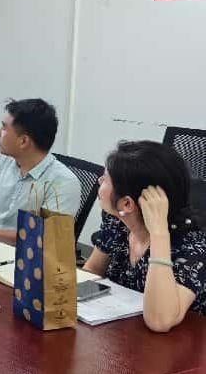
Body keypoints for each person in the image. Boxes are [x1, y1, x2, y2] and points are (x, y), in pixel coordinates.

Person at [84, 141, 206, 332]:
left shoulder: (192, 247)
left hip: (174, 346)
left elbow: (160, 321)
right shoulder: (117, 221)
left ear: (126, 204)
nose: (99, 181)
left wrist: (158, 233)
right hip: (121, 332)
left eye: (105, 178)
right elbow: (93, 270)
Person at [0, 99, 80, 242]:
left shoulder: (63, 182)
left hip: (24, 253)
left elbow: (44, 237)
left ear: (23, 141)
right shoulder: (8, 161)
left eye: (4, 128)